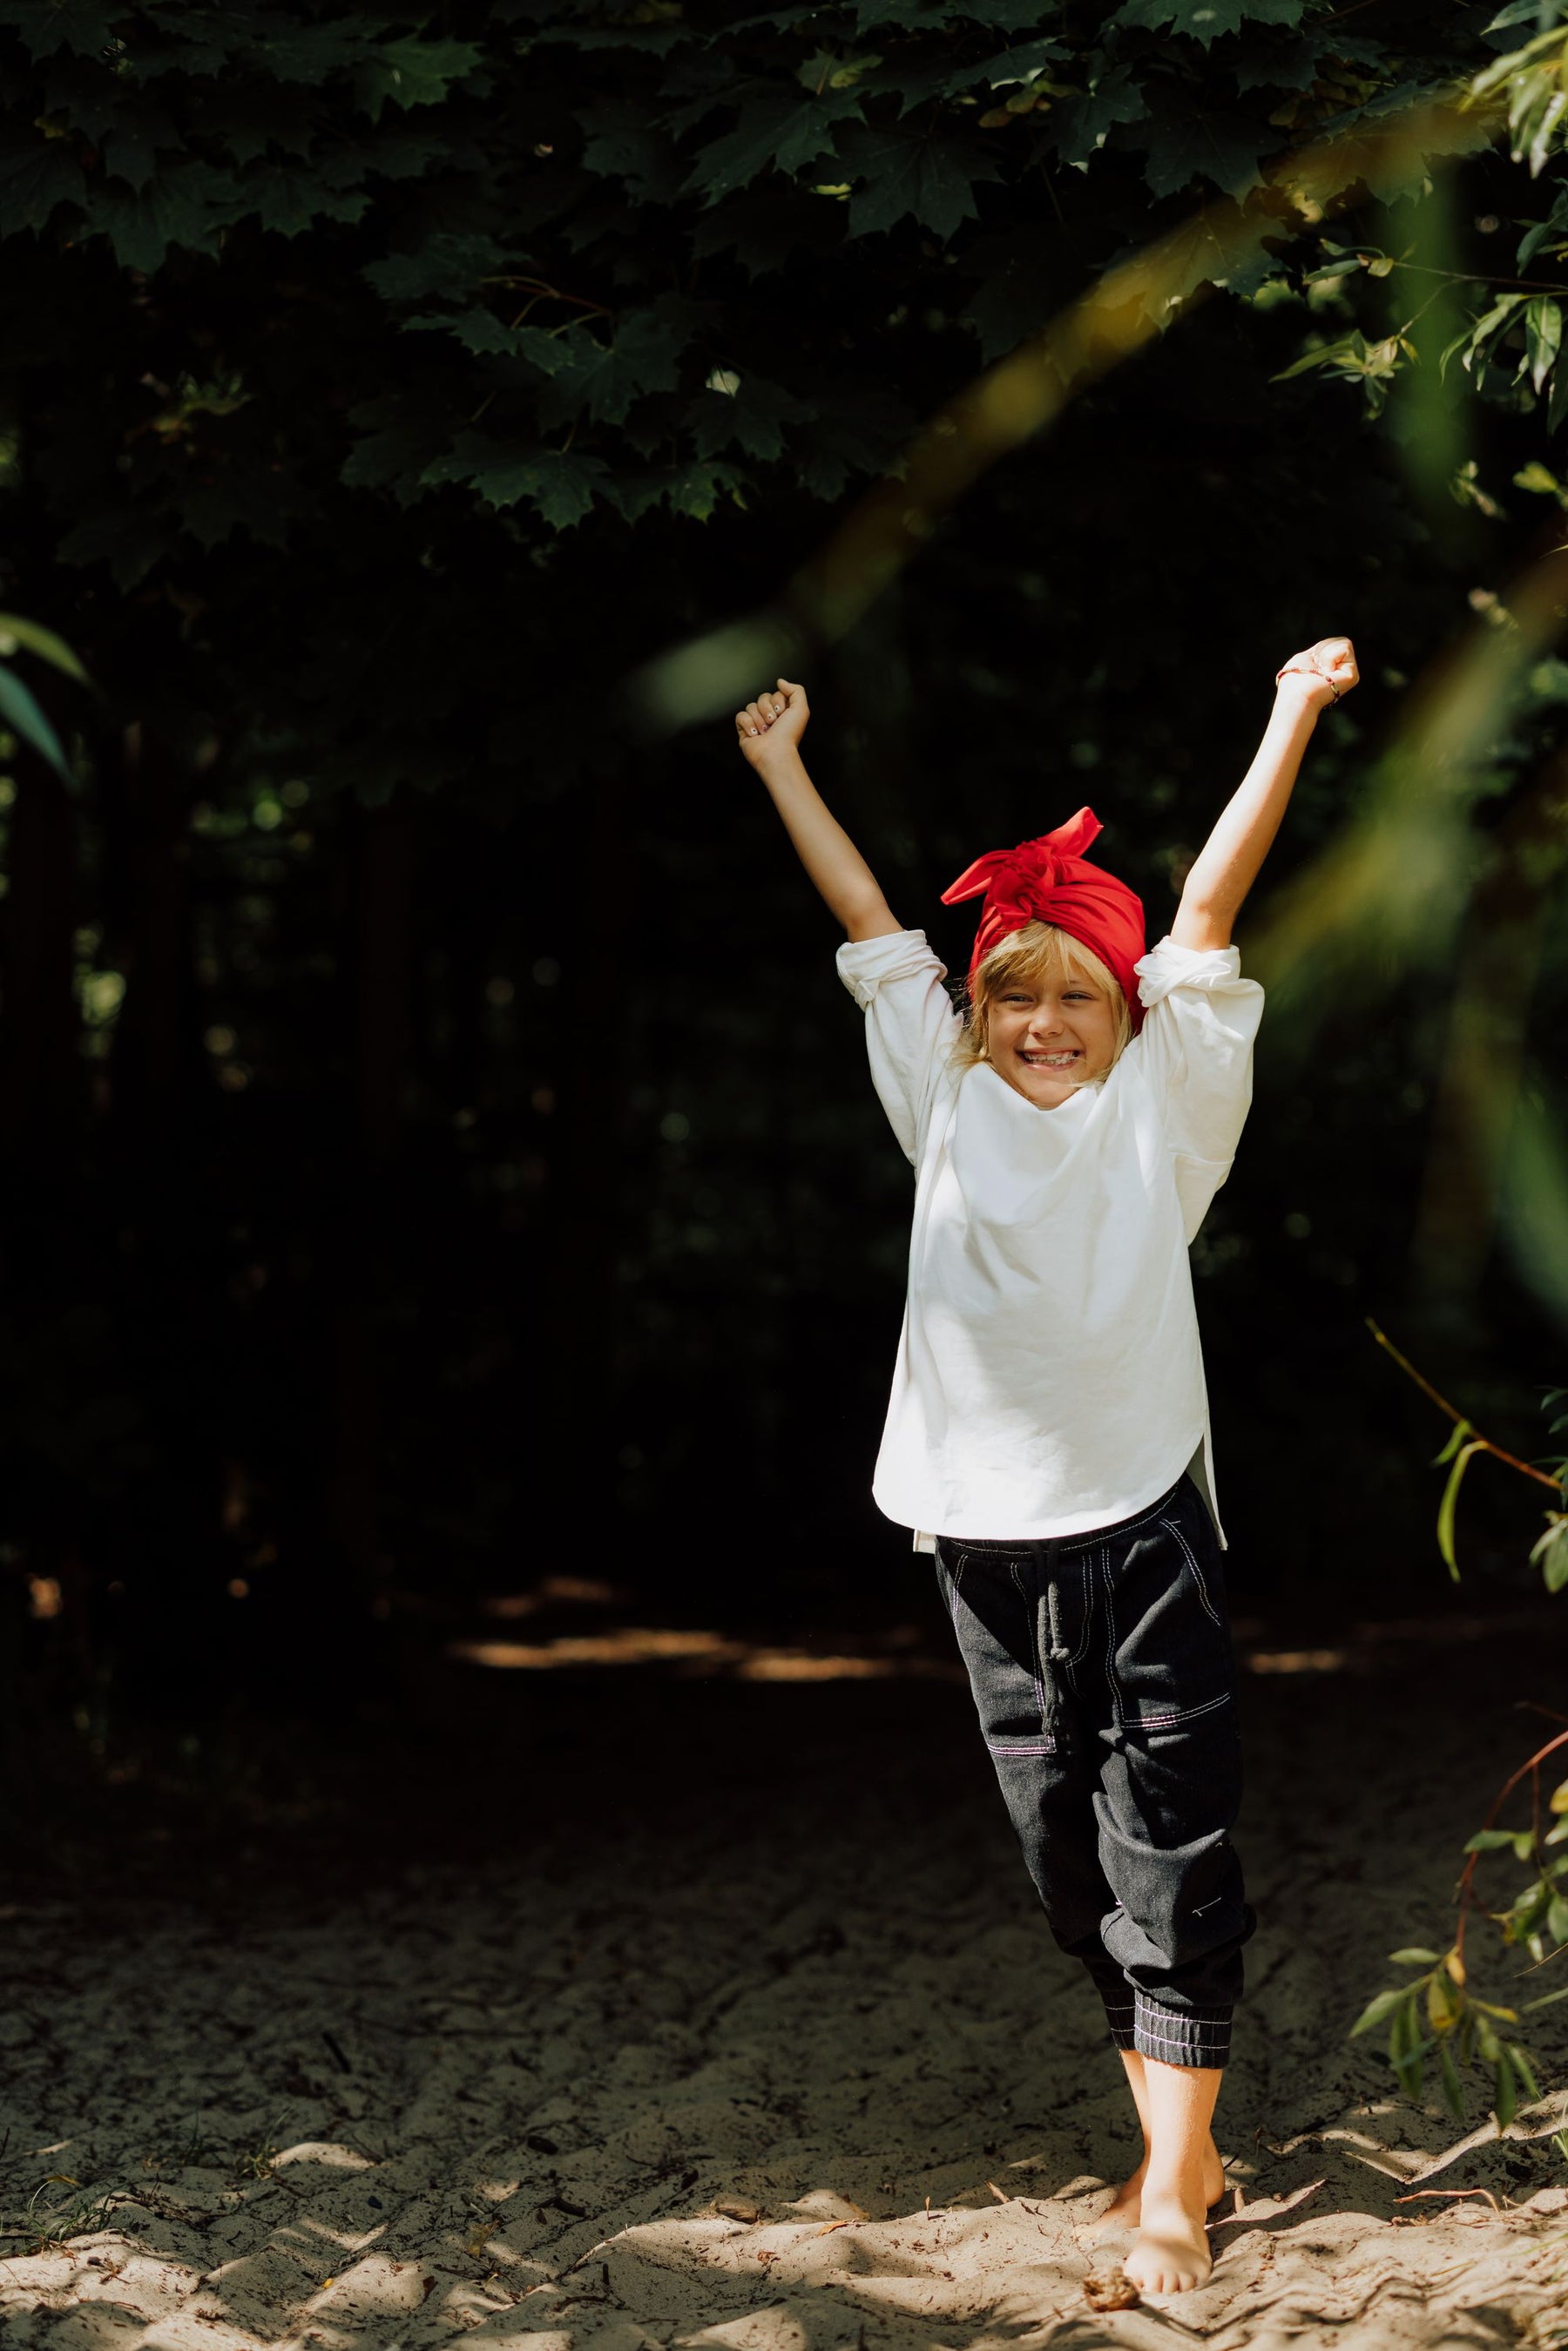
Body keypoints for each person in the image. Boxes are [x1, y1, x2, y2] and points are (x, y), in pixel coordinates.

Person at [733, 638, 1359, 2298]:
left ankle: (1168, 2183)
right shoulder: (940, 1104)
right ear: (979, 1016)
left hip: (1145, 1514)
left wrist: (1285, 710)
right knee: (1064, 1861)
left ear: (1126, 1011)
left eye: (1076, 994)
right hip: (976, 1538)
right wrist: (786, 763)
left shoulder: (1168, 1107)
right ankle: (1188, 2140)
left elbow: (1212, 913)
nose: (1042, 1022)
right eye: (1014, 994)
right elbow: (874, 934)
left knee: (1170, 1841)